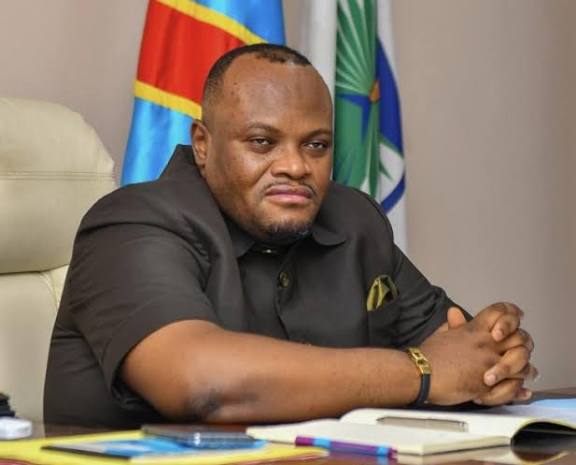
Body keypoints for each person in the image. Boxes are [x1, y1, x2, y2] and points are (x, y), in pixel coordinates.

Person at [44, 44, 535, 428]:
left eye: (316, 145)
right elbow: (202, 383)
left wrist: (495, 360)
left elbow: (459, 350)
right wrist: (423, 372)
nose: (296, 166)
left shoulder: (354, 219)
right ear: (203, 144)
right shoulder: (129, 225)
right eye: (262, 142)